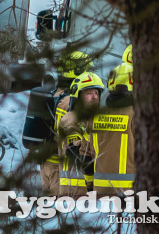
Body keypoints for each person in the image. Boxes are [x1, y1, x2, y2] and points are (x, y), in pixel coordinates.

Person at [40, 50, 91, 195]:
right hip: (59, 164)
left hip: (46, 162)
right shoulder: (71, 101)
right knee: (60, 210)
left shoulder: (56, 94)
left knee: (48, 209)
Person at [58, 71, 104, 196]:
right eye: (89, 93)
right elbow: (74, 152)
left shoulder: (93, 119)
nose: (94, 97)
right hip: (74, 188)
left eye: (96, 93)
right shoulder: (71, 119)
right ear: (77, 96)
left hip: (87, 188)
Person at [93, 63, 134, 195]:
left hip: (99, 189)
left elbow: (85, 152)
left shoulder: (97, 116)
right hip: (129, 190)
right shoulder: (136, 115)